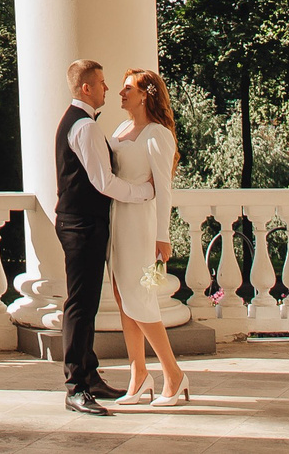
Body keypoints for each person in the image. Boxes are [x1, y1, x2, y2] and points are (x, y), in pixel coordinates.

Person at [53, 58, 154, 416]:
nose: (108, 89)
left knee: (88, 304)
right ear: (86, 88)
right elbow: (104, 183)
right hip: (81, 226)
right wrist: (144, 192)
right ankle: (76, 387)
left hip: (81, 223)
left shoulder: (80, 123)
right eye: (102, 83)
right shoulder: (85, 128)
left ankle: (90, 376)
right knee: (80, 305)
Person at [108, 68, 188, 405]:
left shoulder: (158, 134)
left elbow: (164, 191)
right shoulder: (122, 128)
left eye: (128, 88)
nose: (121, 93)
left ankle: (173, 374)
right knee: (123, 298)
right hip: (117, 223)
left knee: (141, 297)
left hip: (142, 228)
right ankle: (139, 375)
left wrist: (163, 237)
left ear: (145, 95)